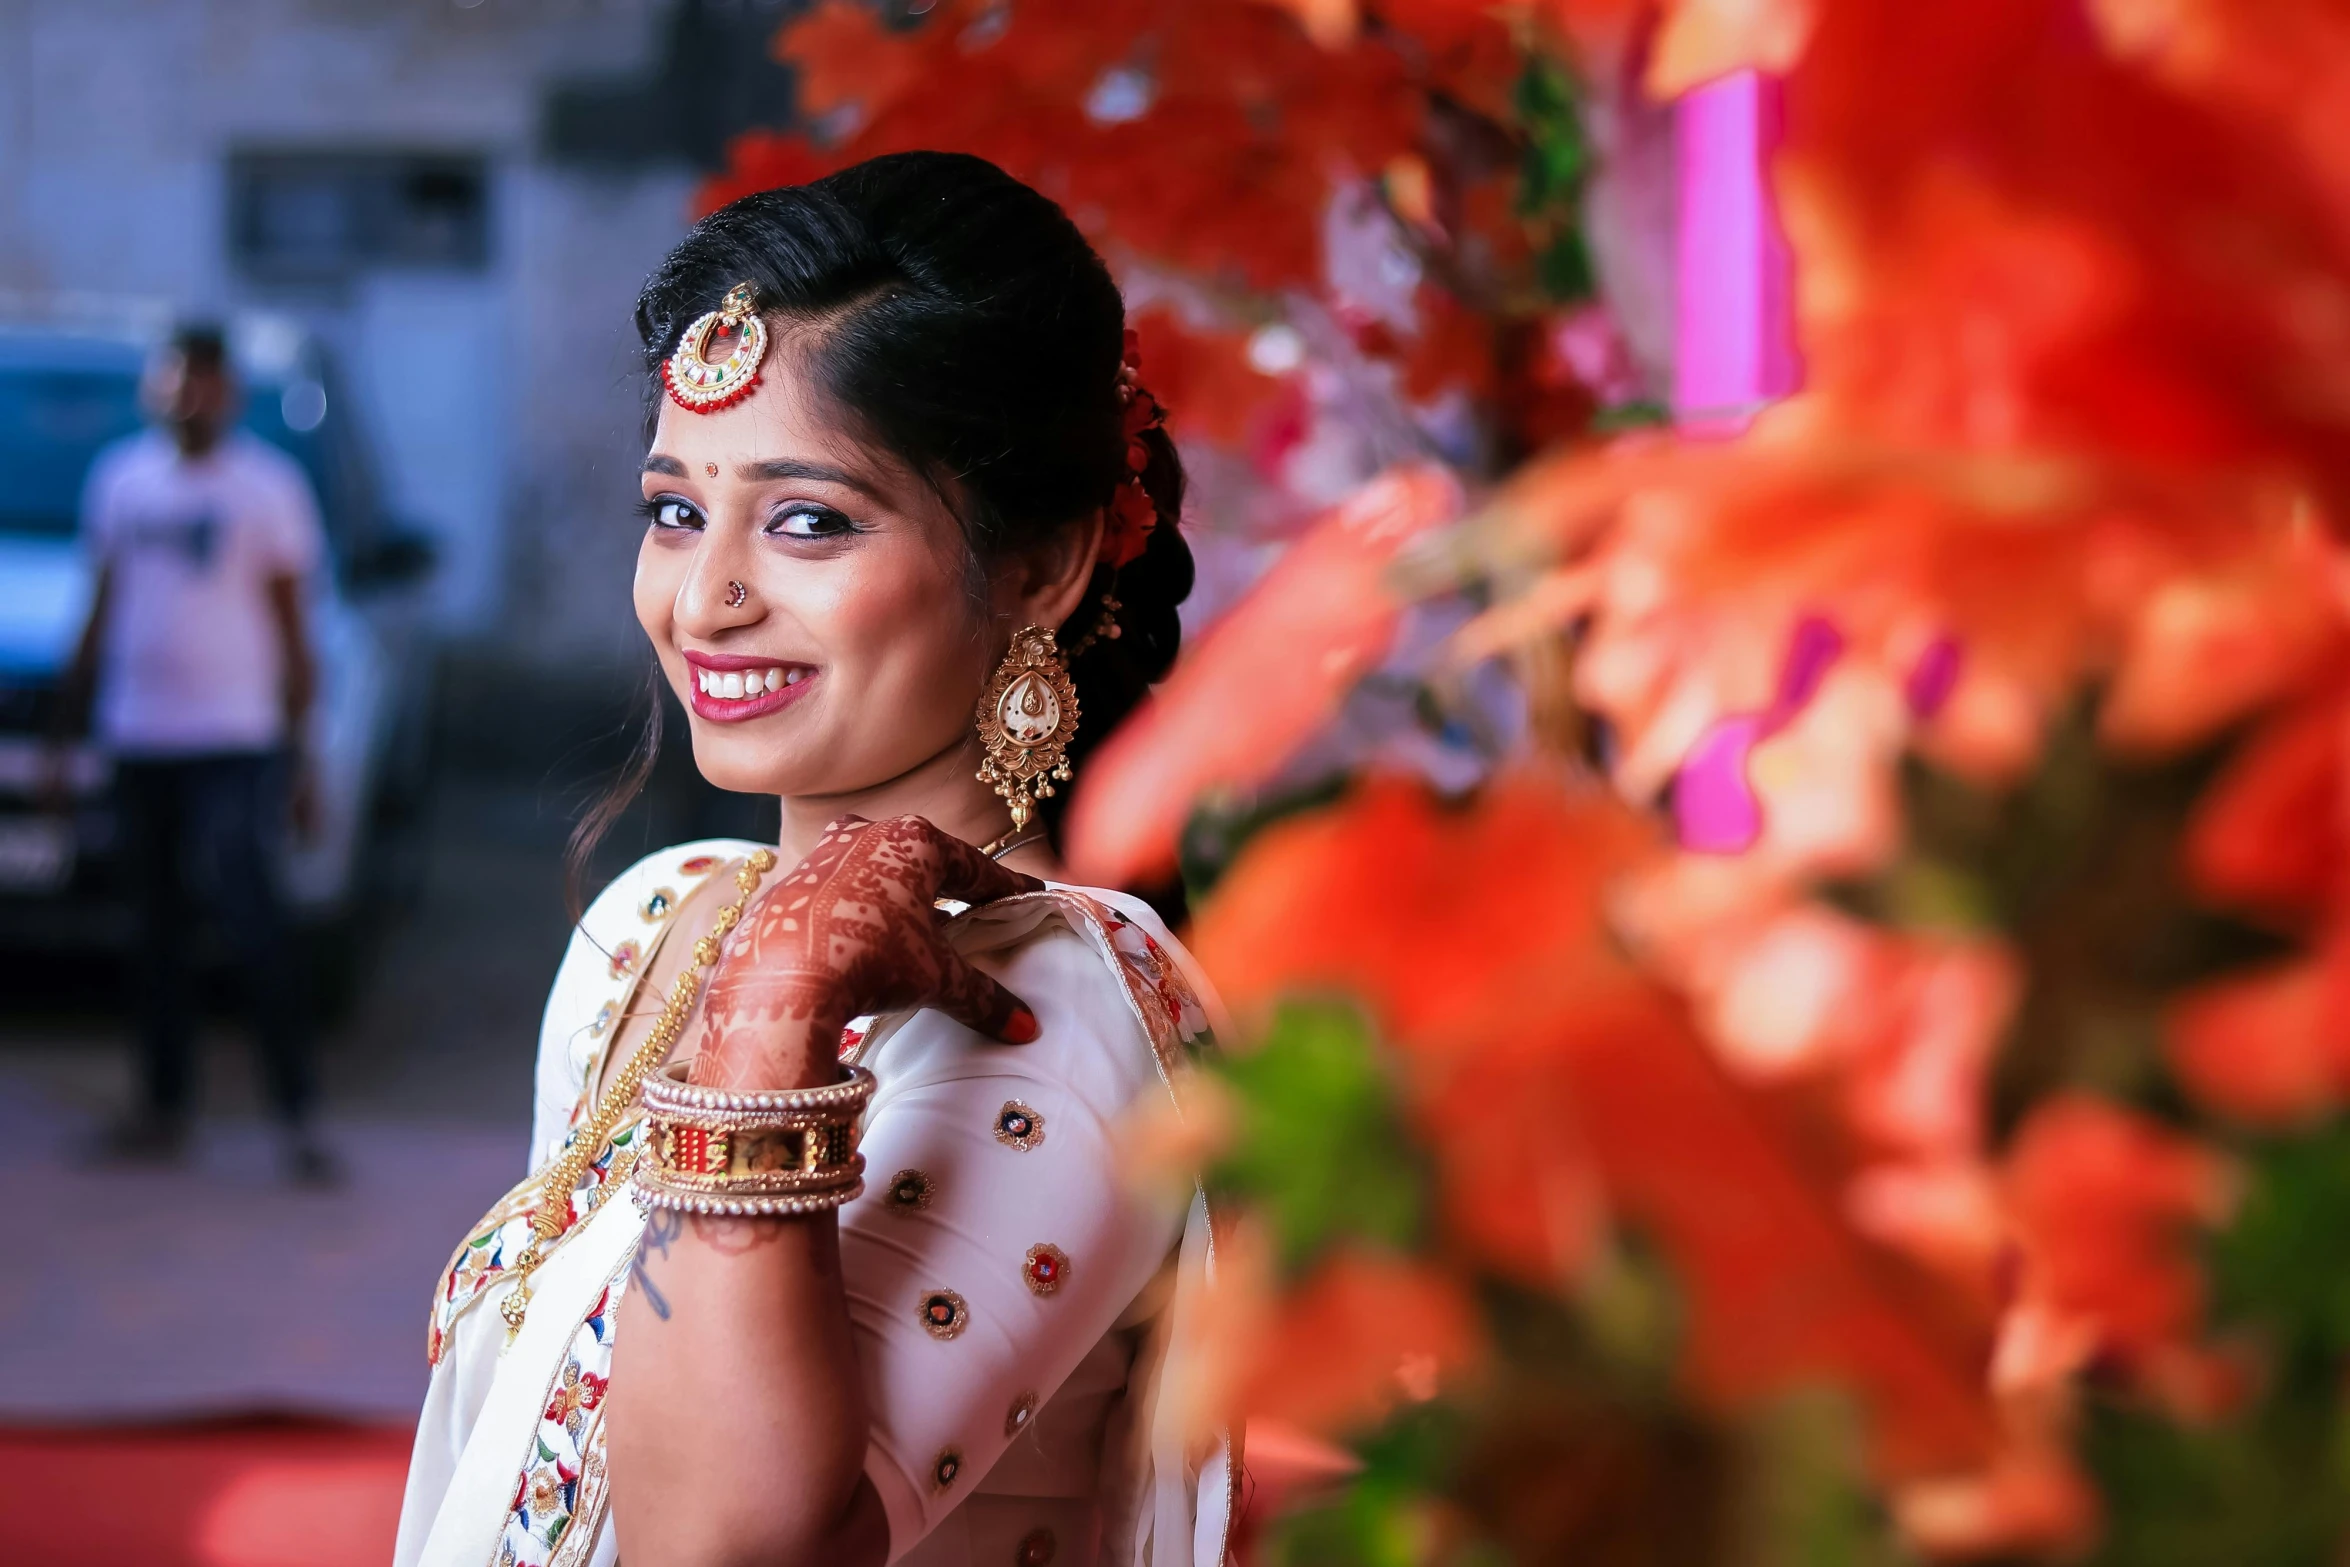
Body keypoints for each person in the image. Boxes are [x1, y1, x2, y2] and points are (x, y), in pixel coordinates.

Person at [396, 153, 1232, 1567]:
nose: (707, 598)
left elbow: (723, 1545)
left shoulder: (1071, 1007)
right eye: (674, 509)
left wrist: (770, 1026)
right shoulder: (649, 921)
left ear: (1040, 564)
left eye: (807, 519)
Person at [60, 321, 333, 1183]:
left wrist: (302, 756)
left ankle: (296, 1114)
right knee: (153, 929)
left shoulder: (267, 490)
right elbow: (99, 612)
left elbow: (295, 634)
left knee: (250, 920)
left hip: (235, 742)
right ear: (155, 388)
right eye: (175, 381)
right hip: (140, 739)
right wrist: (68, 737)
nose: (187, 398)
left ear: (229, 394)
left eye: (204, 383)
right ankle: (162, 1106)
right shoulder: (119, 481)